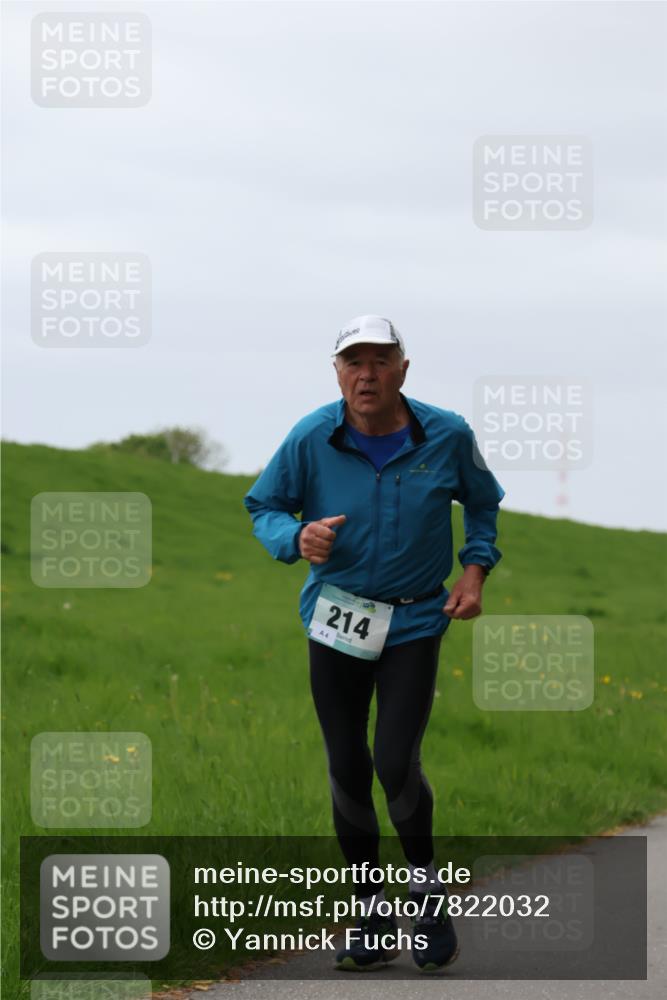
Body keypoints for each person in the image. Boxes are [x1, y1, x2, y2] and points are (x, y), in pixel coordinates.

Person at [244, 314, 505, 973]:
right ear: (337, 372)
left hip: (414, 620)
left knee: (394, 760)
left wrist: (474, 571)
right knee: (346, 765)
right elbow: (264, 506)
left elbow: (483, 501)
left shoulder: (446, 434)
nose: (367, 374)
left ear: (402, 370)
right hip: (336, 618)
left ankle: (427, 895)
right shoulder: (311, 436)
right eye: (353, 362)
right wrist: (294, 537)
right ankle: (369, 910)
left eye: (380, 361)